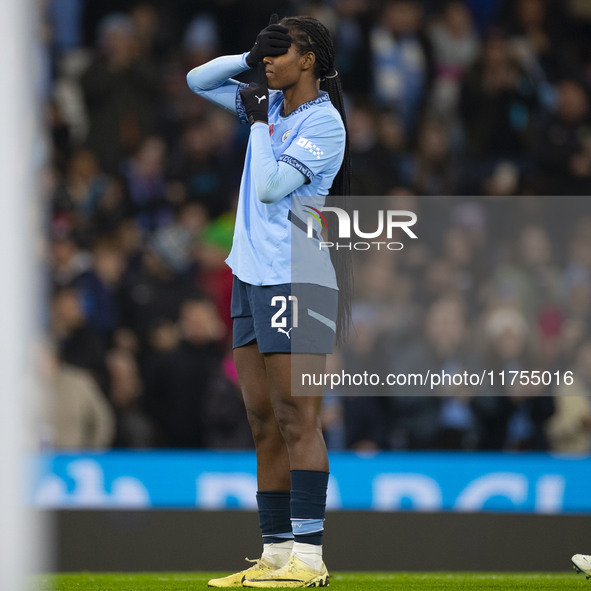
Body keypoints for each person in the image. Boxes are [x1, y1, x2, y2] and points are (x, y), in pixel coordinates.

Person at [187, 14, 352, 588]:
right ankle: (276, 554)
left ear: (308, 61)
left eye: (279, 51)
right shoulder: (273, 106)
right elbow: (197, 79)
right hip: (251, 276)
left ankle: (310, 558)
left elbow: (272, 187)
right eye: (267, 49)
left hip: (297, 275)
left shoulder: (323, 124)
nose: (269, 61)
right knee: (261, 420)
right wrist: (245, 54)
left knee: (296, 416)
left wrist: (257, 122)